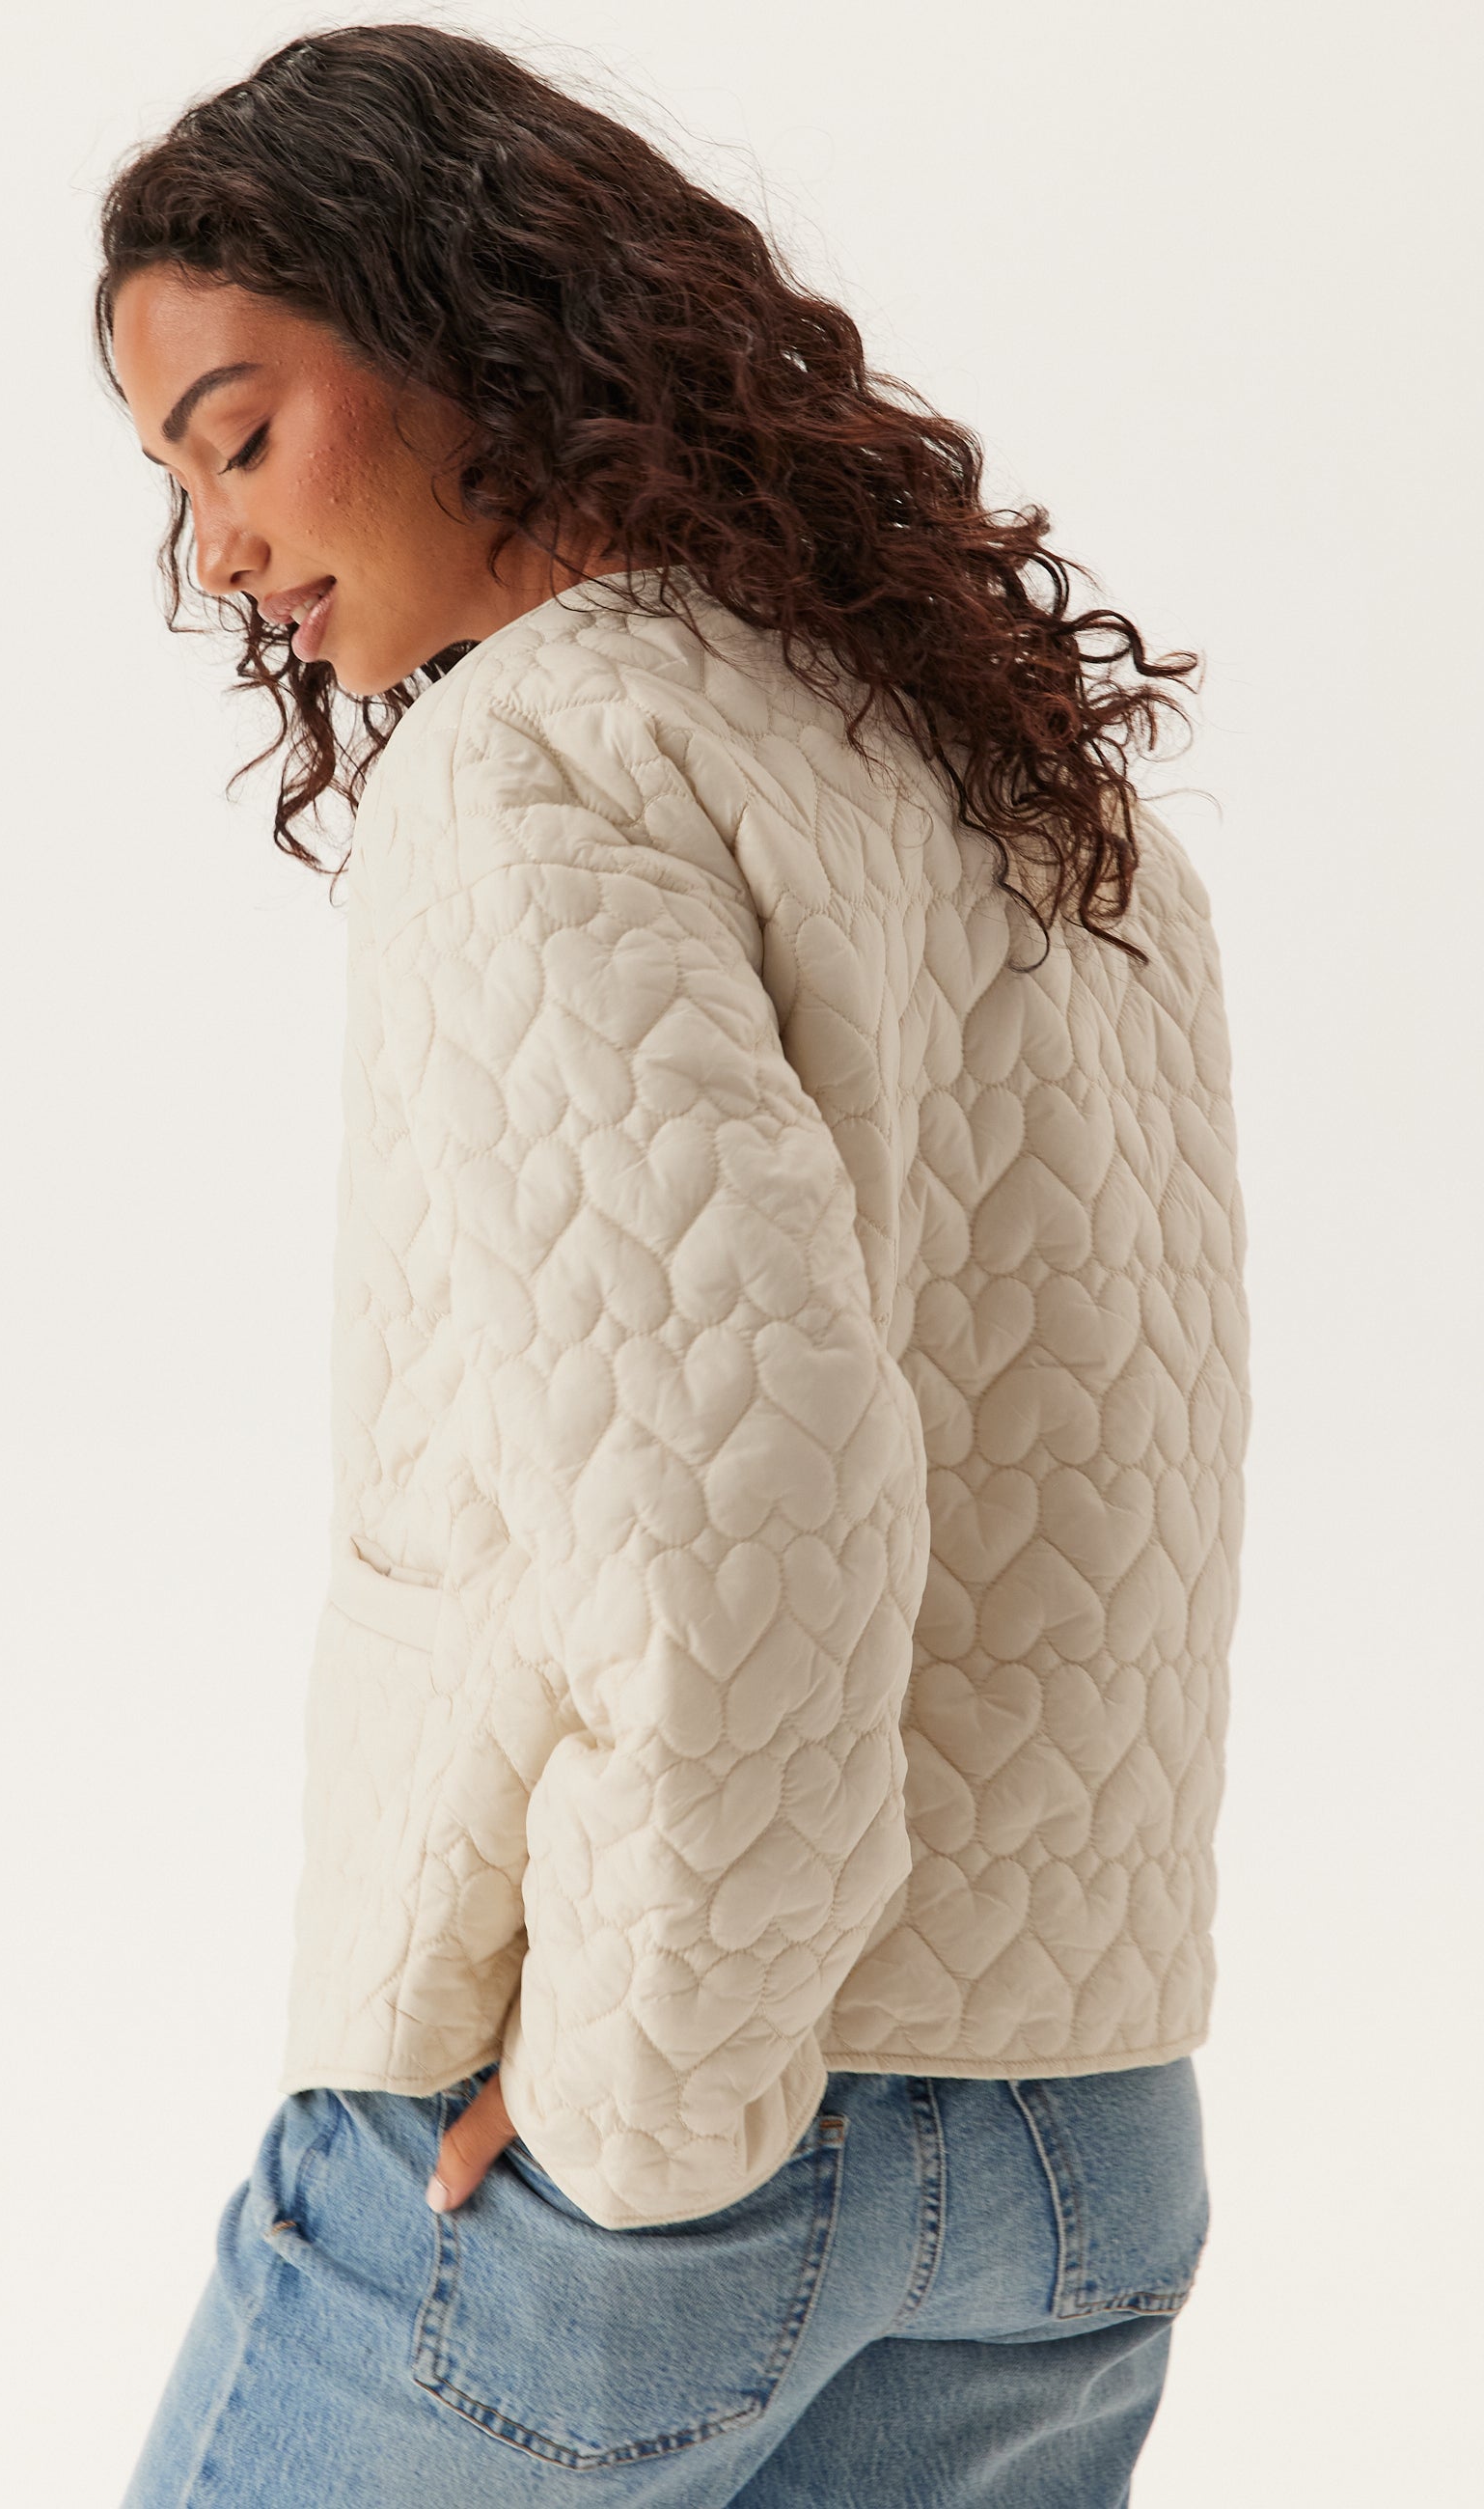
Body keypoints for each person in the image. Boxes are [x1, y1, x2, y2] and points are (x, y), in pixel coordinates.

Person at [97, 25, 1249, 2507]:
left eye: (235, 436)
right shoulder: (1030, 780)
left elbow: (741, 1506)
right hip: (1077, 2153)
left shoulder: (538, 765)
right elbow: (1121, 1475)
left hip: (672, 2159)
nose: (218, 553)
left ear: (461, 331)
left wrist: (643, 2103)